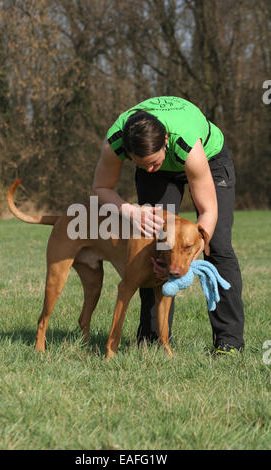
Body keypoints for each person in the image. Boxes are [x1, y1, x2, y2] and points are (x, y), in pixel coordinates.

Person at [93, 96, 244, 355]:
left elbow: (208, 211)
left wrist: (195, 249)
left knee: (216, 245)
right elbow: (100, 189)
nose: (149, 169)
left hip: (210, 160)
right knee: (153, 244)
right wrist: (129, 211)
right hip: (167, 163)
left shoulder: (186, 142)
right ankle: (152, 340)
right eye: (141, 165)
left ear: (165, 141)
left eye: (152, 161)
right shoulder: (116, 140)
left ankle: (228, 343)